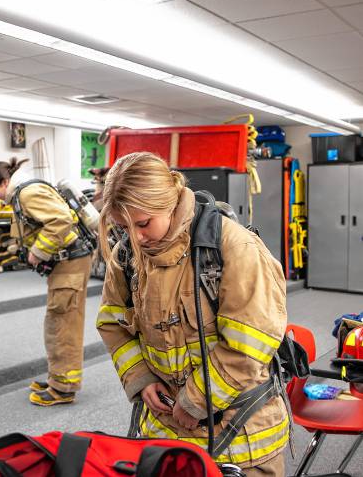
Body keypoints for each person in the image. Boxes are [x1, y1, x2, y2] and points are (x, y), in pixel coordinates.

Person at [96, 152, 288, 476]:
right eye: (123, 227)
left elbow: (250, 346)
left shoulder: (234, 248)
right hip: (164, 437)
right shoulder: (127, 254)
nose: (136, 238)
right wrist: (140, 378)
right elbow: (112, 324)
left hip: (241, 441)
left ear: (169, 203)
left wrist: (196, 399)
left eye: (143, 224)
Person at [0, 158, 93, 406]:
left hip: (70, 263)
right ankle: (58, 378)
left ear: (4, 182)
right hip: (66, 263)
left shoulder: (28, 193)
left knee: (62, 324)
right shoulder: (23, 194)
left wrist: (38, 253)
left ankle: (63, 388)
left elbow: (61, 220)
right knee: (58, 321)